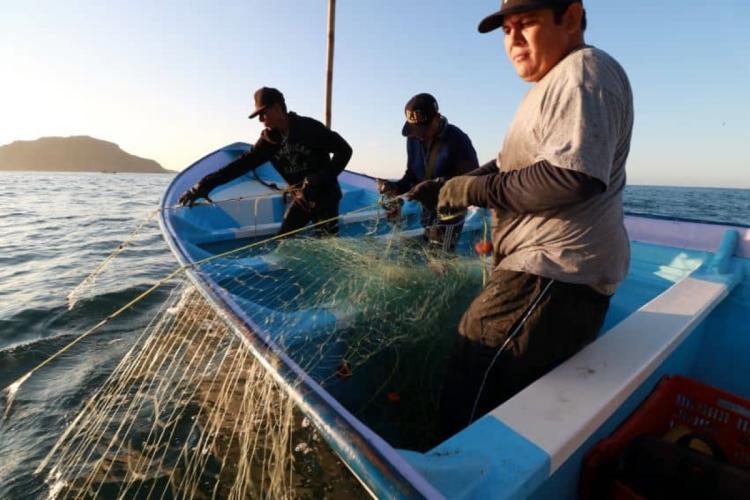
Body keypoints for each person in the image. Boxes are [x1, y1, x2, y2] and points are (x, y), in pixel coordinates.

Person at [435, 0, 633, 437]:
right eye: (507, 30)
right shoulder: (550, 86)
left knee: (475, 379)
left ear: (573, 18)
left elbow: (572, 176)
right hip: (545, 279)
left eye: (525, 24)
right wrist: (456, 183)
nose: (513, 41)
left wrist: (474, 190)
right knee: (503, 395)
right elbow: (507, 166)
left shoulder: (583, 71)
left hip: (551, 275)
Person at [179, 87, 353, 236]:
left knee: (326, 241)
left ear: (277, 108)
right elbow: (240, 166)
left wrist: (321, 177)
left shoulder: (310, 128)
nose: (261, 120)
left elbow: (345, 151)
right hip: (301, 198)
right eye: (258, 116)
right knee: (283, 242)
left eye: (263, 113)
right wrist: (205, 184)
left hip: (326, 196)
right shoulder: (268, 141)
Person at [377, 93, 478, 251]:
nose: (418, 135)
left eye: (423, 130)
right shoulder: (413, 138)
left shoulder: (458, 140)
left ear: (437, 118)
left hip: (449, 213)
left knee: (440, 260)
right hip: (427, 211)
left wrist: (438, 185)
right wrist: (394, 188)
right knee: (429, 254)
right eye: (414, 130)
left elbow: (473, 181)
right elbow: (411, 174)